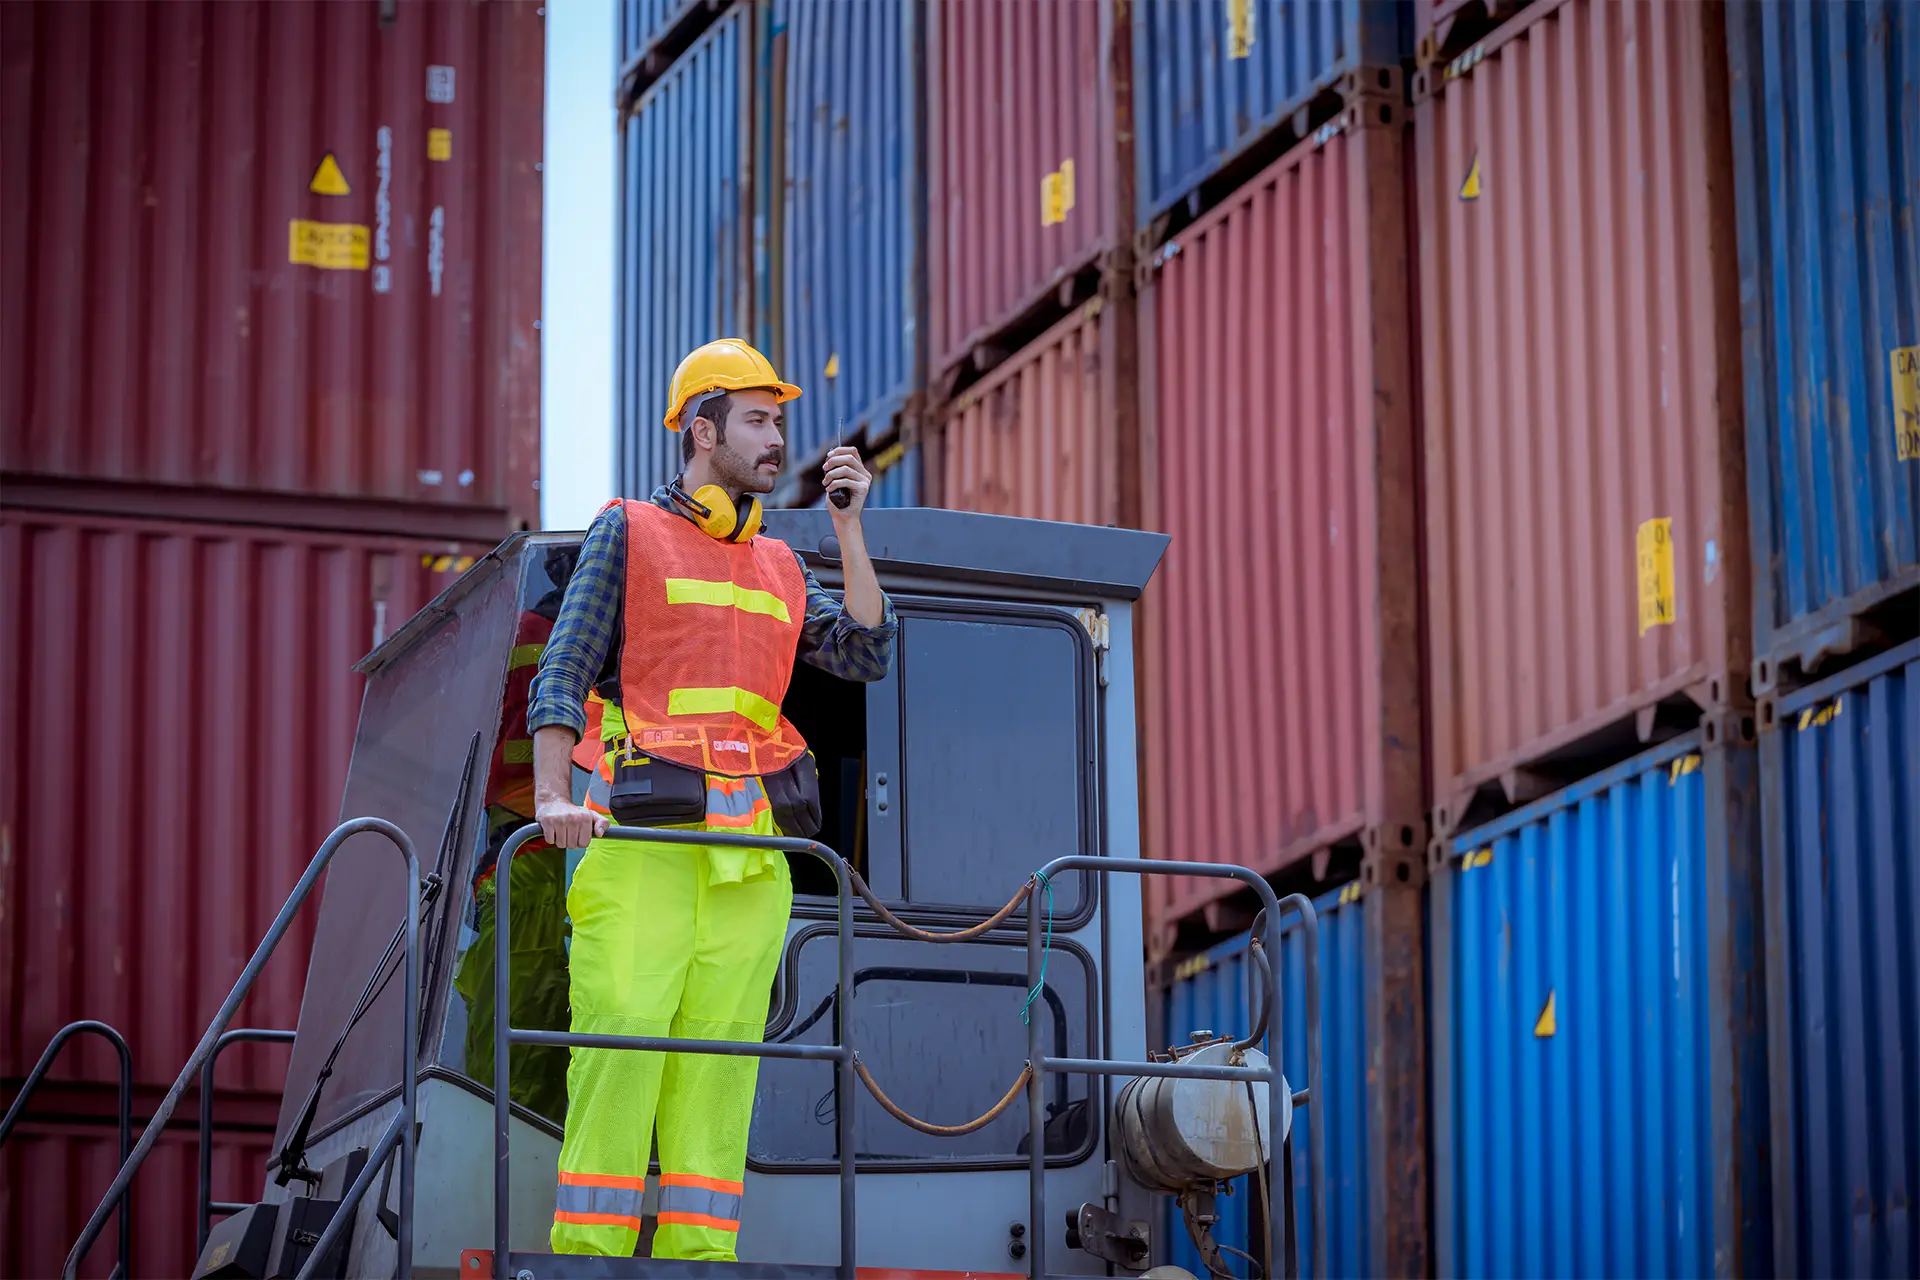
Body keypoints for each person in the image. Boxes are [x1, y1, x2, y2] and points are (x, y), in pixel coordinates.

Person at [525, 337, 895, 1259]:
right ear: (702, 430)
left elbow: (864, 652)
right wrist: (547, 796)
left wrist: (848, 530)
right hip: (643, 850)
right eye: (760, 421)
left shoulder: (778, 564)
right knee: (623, 1056)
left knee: (721, 1072)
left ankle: (702, 1262)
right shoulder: (630, 532)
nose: (779, 441)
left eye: (781, 422)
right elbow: (564, 671)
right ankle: (589, 1263)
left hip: (752, 868)